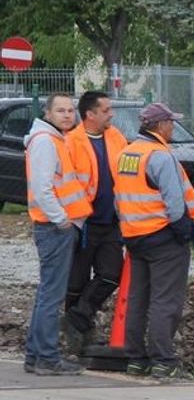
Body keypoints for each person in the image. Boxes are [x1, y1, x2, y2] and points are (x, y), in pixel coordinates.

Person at [111, 102, 194, 379]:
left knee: (139, 298)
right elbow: (175, 203)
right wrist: (184, 230)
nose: (173, 126)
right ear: (160, 125)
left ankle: (136, 359)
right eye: (170, 122)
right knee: (166, 300)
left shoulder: (127, 154)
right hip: (163, 237)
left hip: (135, 236)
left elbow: (120, 200)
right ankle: (163, 360)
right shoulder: (160, 156)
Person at [24, 93, 92, 375]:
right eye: (61, 110)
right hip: (55, 228)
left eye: (71, 110)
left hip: (56, 226)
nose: (67, 115)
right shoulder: (46, 143)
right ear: (48, 114)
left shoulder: (52, 140)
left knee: (47, 293)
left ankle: (35, 355)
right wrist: (62, 219)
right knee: (52, 295)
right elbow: (42, 189)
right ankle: (47, 358)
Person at [62, 91, 128, 353]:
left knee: (112, 274)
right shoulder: (72, 141)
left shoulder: (116, 137)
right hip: (83, 223)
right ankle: (77, 336)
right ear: (90, 114)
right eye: (106, 110)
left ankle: (78, 317)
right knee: (76, 282)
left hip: (111, 222)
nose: (111, 114)